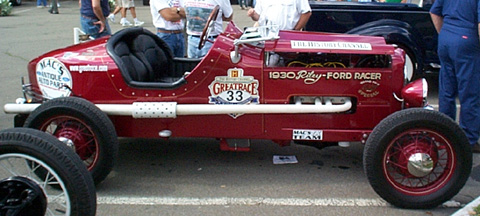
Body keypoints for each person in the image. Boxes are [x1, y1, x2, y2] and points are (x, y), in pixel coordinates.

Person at [430, 0, 480, 153]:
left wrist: (445, 34)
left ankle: (445, 133)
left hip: (446, 38)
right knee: (469, 92)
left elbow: (434, 12)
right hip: (466, 39)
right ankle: (469, 139)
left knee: (447, 89)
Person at [247, 0, 311, 31]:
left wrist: (295, 30)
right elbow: (258, 17)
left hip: (286, 37)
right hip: (265, 37)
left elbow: (306, 13)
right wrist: (253, 14)